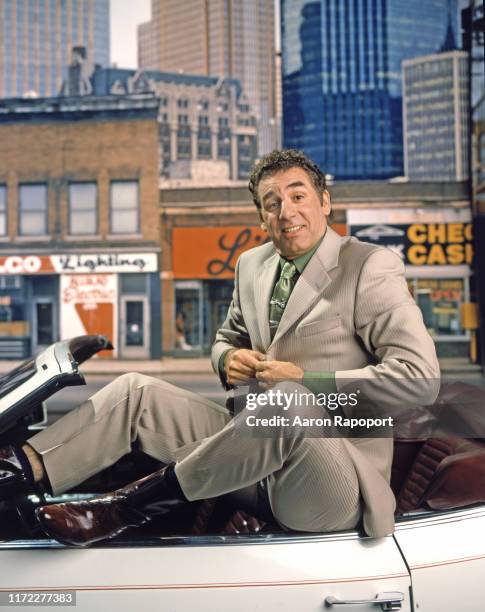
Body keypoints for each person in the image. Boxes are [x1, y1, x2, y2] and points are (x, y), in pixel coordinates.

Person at [0, 149, 439, 546]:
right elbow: (226, 340)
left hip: (333, 484)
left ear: (325, 202)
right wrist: (227, 359)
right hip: (253, 465)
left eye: (299, 196)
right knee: (136, 391)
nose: (287, 212)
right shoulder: (252, 265)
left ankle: (125, 507)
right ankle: (16, 473)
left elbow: (419, 379)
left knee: (288, 400)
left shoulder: (369, 266)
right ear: (262, 217)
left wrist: (305, 379)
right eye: (273, 203)